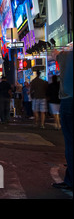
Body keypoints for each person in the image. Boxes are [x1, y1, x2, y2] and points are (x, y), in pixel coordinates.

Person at [51, 49, 73, 191]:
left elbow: (56, 55)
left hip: (69, 101)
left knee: (70, 142)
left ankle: (71, 180)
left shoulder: (68, 56)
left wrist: (59, 53)